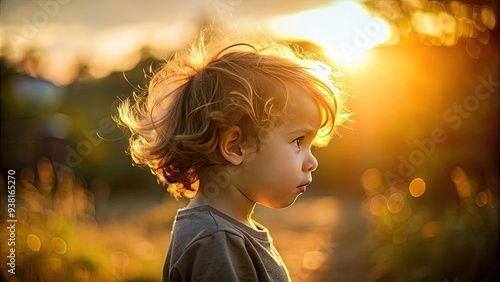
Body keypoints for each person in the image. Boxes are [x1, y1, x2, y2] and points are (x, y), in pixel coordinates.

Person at [115, 29, 349, 281]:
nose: (312, 162)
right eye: (298, 141)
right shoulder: (216, 240)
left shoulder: (225, 232)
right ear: (235, 147)